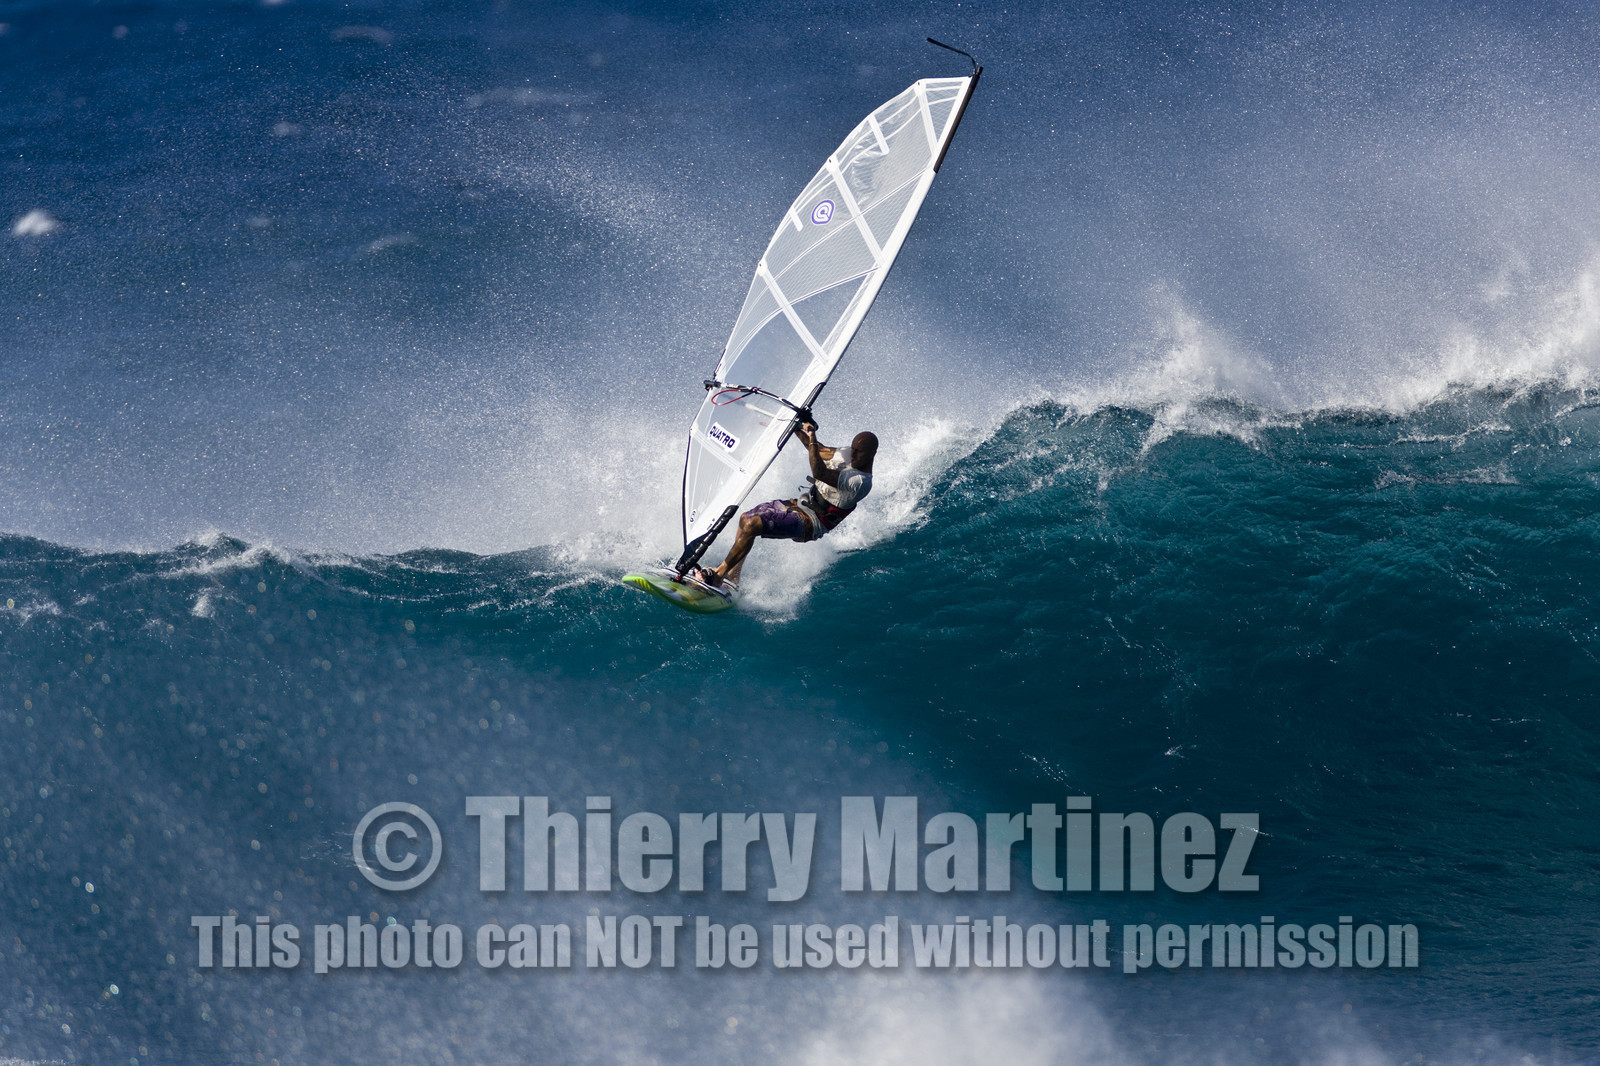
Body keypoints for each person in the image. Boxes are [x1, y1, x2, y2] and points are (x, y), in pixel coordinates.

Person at [695, 422, 877, 588]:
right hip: (801, 504)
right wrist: (797, 427)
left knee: (752, 525)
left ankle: (718, 575)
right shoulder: (848, 454)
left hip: (812, 522)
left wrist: (813, 436)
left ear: (872, 454)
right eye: (853, 449)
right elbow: (819, 449)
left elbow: (819, 472)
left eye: (858, 452)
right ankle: (733, 575)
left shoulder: (860, 481)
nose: (853, 454)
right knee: (745, 519)